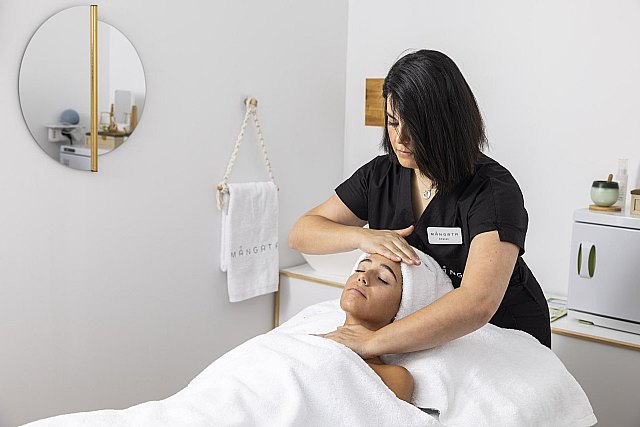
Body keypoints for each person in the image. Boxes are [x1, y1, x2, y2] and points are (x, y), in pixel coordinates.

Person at [289, 49, 551, 360]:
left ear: (447, 125)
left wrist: (370, 342)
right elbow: (301, 233)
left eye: (414, 126)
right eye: (392, 122)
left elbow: (477, 302)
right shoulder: (380, 176)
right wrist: (363, 236)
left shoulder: (492, 190)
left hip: (501, 335)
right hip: (422, 337)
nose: (400, 139)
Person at [331, 253, 414, 403]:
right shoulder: (306, 339)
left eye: (382, 279)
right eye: (360, 269)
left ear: (402, 308)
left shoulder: (396, 378)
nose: (362, 277)